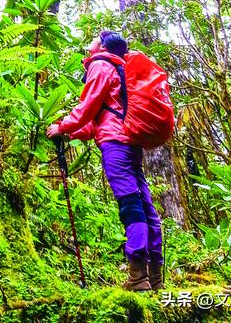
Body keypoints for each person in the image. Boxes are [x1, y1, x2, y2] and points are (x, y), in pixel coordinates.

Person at [47, 30, 164, 292]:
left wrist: (63, 126)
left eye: (95, 38)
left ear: (102, 46)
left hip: (115, 145)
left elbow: (87, 108)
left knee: (130, 204)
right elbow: (96, 122)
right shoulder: (122, 70)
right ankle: (155, 275)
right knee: (144, 203)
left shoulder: (101, 65)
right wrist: (69, 132)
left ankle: (138, 276)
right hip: (130, 142)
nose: (90, 41)